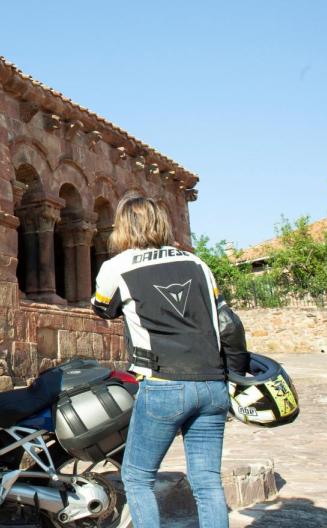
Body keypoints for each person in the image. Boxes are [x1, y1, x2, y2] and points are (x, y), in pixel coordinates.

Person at [91, 196, 248, 528]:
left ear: (122, 226)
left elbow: (102, 307)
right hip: (211, 384)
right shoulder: (196, 264)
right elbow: (229, 323)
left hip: (163, 385)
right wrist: (236, 374)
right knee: (206, 482)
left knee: (137, 477)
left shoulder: (117, 267)